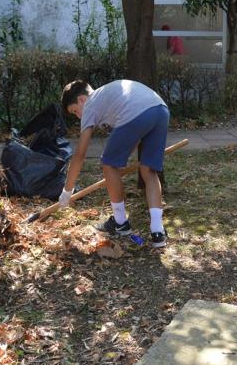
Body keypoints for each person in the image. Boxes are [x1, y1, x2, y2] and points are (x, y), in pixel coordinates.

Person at [58, 79, 170, 247]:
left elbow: (80, 155)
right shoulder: (108, 98)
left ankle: (120, 223)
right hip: (160, 110)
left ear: (82, 99)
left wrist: (67, 192)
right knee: (149, 170)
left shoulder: (90, 104)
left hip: (137, 111)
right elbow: (134, 135)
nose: (78, 116)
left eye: (75, 111)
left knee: (108, 164)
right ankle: (157, 231)